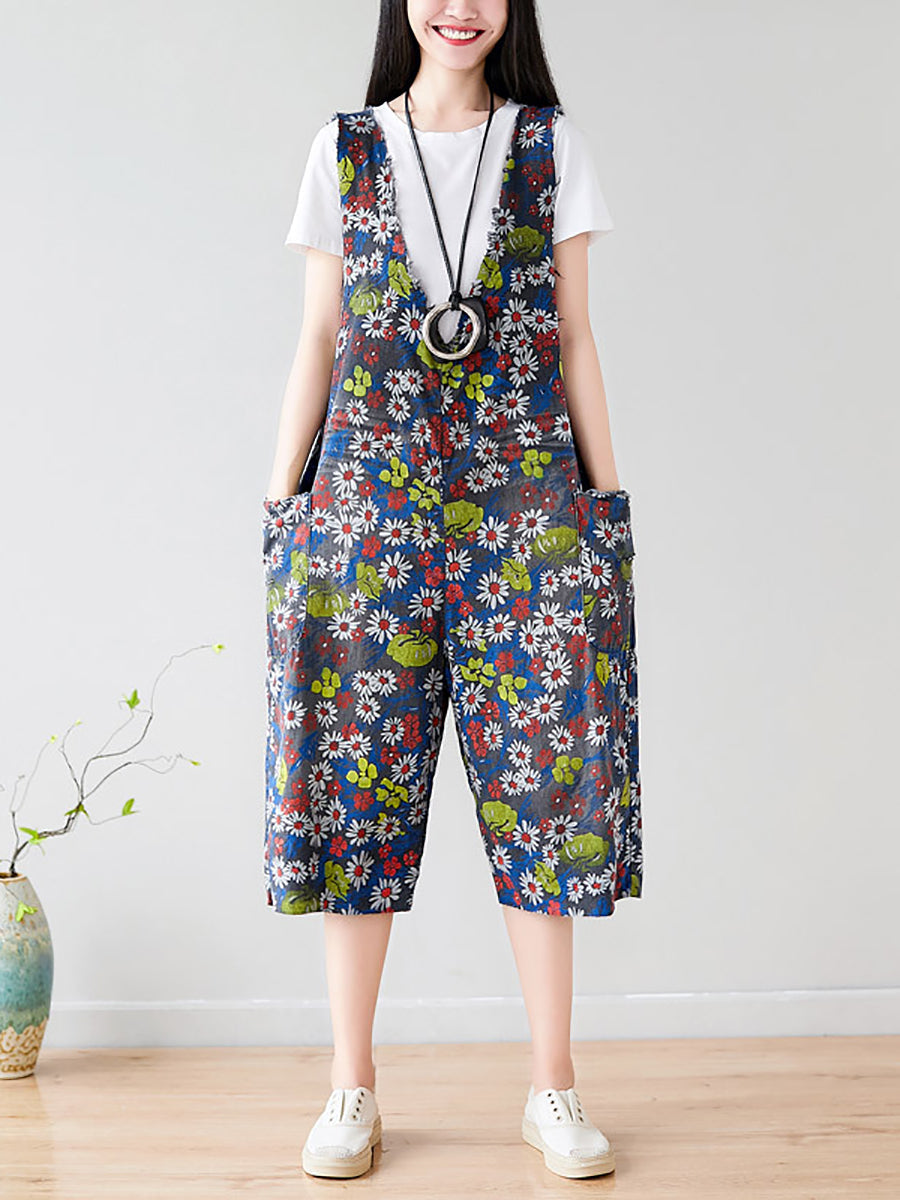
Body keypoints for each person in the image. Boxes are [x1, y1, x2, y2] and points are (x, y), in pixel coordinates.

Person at [262, 0, 642, 1181]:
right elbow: (319, 335)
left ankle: (553, 1088)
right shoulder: (344, 149)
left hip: (529, 511)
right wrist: (281, 505)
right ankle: (351, 1087)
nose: (460, 6)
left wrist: (603, 510)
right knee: (352, 789)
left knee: (549, 790)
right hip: (365, 514)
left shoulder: (550, 146)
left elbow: (575, 336)